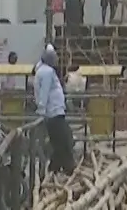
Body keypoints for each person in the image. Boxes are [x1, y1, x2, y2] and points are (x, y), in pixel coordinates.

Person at [34, 46, 75, 174]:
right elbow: (44, 92)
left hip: (55, 111)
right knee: (63, 141)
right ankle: (68, 168)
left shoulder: (46, 71)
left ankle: (54, 168)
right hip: (54, 112)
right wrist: (41, 109)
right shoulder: (46, 72)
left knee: (59, 141)